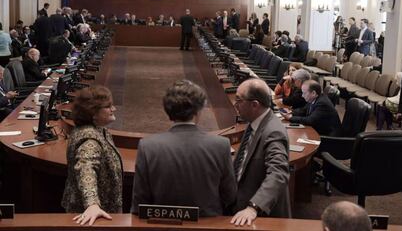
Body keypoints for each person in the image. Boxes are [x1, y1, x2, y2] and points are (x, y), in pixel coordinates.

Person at [131, 80, 236, 216]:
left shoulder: (148, 146)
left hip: (162, 224)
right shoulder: (221, 145)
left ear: (168, 111)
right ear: (198, 111)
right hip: (208, 224)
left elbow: (140, 200)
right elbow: (229, 196)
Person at [231, 78, 290, 226]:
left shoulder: (274, 132)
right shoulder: (255, 122)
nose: (235, 104)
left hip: (261, 215)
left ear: (255, 105)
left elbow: (278, 173)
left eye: (238, 100)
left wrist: (253, 207)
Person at [61, 86, 122, 226]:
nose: (114, 109)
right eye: (109, 106)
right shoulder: (90, 140)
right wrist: (92, 204)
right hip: (91, 219)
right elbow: (86, 167)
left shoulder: (98, 129)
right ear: (93, 113)